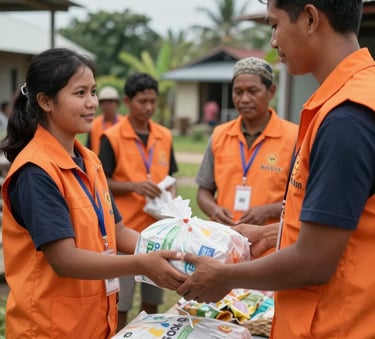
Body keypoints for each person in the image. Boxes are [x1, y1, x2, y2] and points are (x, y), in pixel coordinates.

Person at [177, 1, 375, 338]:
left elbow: (314, 262)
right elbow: (342, 220)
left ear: (310, 19)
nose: (273, 41)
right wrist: (272, 234)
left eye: (275, 24)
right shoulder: (349, 100)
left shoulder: (346, 117)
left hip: (335, 325)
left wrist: (223, 277)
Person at [0, 48, 186, 339]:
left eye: (93, 92)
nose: (92, 104)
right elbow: (65, 260)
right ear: (45, 101)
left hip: (92, 323)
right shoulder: (35, 172)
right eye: (80, 93)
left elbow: (118, 230)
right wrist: (142, 264)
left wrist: (178, 251)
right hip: (49, 329)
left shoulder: (89, 160)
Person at [98, 73, 178, 330]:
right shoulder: (111, 137)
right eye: (142, 101)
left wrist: (171, 197)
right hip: (125, 234)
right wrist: (134, 186)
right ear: (127, 101)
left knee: (153, 301)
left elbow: (170, 177)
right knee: (120, 303)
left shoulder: (164, 135)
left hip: (158, 234)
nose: (149, 107)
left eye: (153, 101)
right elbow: (102, 182)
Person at [196, 56, 298, 233]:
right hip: (224, 243)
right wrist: (214, 209)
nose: (244, 99)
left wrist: (268, 211)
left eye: (253, 91)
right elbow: (203, 191)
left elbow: (303, 200)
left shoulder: (294, 137)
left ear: (271, 91)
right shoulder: (220, 135)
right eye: (238, 92)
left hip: (270, 249)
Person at [86, 85, 124, 155]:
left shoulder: (124, 123)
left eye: (111, 102)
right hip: (97, 163)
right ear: (100, 104)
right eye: (104, 102)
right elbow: (89, 147)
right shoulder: (94, 123)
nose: (107, 106)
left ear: (117, 104)